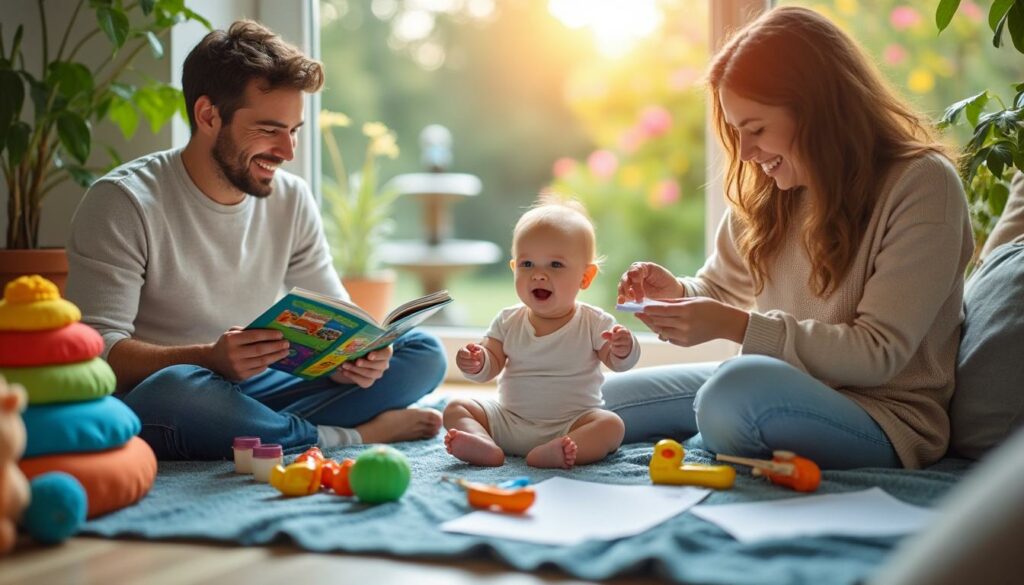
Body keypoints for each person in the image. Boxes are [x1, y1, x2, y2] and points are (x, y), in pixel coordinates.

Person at [604, 6, 973, 470]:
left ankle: (704, 440)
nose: (745, 152)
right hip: (780, 385)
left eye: (756, 129)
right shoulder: (773, 192)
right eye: (736, 132)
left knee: (732, 394)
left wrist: (738, 327)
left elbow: (878, 353)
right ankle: (711, 435)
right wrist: (674, 294)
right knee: (601, 400)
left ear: (818, 109)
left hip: (882, 417)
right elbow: (719, 289)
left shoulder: (922, 184)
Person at [65, 21, 445, 461]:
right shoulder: (123, 201)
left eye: (294, 130)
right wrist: (208, 358)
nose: (288, 152)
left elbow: (337, 316)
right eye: (269, 130)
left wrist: (352, 361)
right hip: (175, 390)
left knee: (424, 353)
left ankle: (257, 429)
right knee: (177, 392)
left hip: (261, 383)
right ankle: (342, 436)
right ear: (208, 116)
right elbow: (98, 352)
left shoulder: (292, 198)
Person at [443, 197, 640, 468]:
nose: (538, 275)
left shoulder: (594, 322)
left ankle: (557, 453)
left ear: (585, 277)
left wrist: (623, 348)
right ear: (514, 268)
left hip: (570, 427)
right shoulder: (508, 320)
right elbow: (491, 364)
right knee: (456, 407)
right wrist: (477, 362)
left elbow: (618, 362)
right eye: (527, 264)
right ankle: (484, 444)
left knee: (611, 425)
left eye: (555, 265)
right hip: (509, 423)